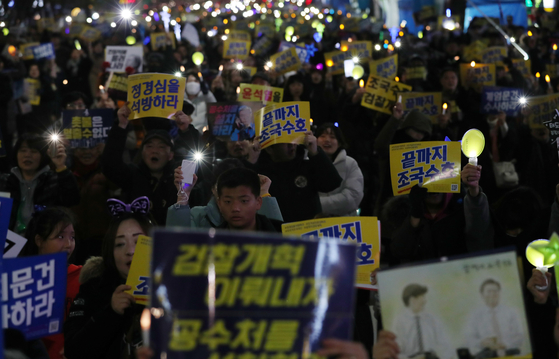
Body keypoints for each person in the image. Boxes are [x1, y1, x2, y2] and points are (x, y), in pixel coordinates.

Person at [64, 201, 153, 359]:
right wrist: (111, 312)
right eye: (120, 244)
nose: (130, 251)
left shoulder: (170, 290)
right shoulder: (93, 289)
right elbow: (74, 351)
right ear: (110, 251)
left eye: (138, 241)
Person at [388, 164, 494, 263]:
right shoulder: (402, 211)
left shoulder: (461, 205)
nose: (434, 185)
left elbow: (480, 237)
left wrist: (474, 190)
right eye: (428, 179)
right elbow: (400, 252)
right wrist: (415, 215)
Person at [101, 103, 178, 225]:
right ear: (142, 152)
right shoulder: (133, 175)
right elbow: (110, 165)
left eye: (161, 147)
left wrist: (186, 131)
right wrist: (121, 126)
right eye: (149, 146)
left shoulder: (179, 178)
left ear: (171, 155)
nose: (154, 150)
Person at [23, 207, 81, 359]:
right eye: (60, 237)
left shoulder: (82, 277)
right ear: (39, 241)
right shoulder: (21, 280)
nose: (69, 244)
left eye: (72, 237)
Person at [252, 131, 342, 223]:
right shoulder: (261, 172)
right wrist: (252, 159)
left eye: (292, 139)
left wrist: (316, 153)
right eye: (285, 142)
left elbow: (332, 183)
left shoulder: (306, 165)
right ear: (269, 149)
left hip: (307, 231)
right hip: (275, 232)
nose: (292, 144)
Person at [167, 159, 283, 229]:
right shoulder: (198, 216)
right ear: (213, 189)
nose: (236, 208)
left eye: (244, 200)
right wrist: (183, 194)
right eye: (228, 201)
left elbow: (275, 233)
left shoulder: (258, 215)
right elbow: (176, 242)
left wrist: (264, 194)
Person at [0, 134, 80, 234]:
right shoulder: (5, 181)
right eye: (23, 150)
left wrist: (60, 166)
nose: (27, 155)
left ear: (43, 155)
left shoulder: (53, 180)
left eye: (34, 151)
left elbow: (72, 199)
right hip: (8, 242)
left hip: (42, 240)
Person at [392, 284, 454, 359]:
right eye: (422, 297)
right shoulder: (399, 322)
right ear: (412, 300)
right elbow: (395, 352)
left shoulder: (432, 320)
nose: (425, 301)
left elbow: (446, 345)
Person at [465, 279, 524, 357]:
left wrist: (505, 344)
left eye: (495, 291)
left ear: (499, 293)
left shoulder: (511, 312)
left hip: (510, 353)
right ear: (482, 294)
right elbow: (470, 338)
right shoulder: (475, 316)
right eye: (489, 291)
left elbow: (520, 336)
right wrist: (482, 342)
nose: (492, 294)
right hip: (487, 355)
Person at [316, 123, 364, 216]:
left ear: (340, 143)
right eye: (322, 136)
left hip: (343, 224)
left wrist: (316, 205)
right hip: (313, 223)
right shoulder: (306, 162)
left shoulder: (350, 163)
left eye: (332, 137)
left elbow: (353, 196)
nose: (327, 140)